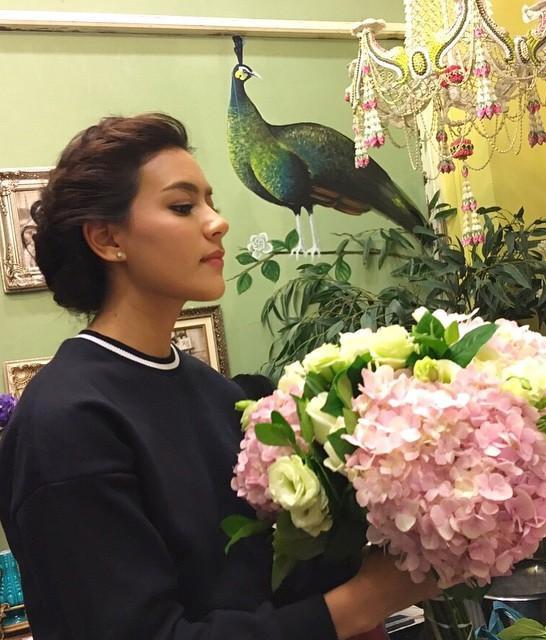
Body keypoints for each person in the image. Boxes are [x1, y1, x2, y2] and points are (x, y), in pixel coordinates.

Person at [0, 114, 439, 640]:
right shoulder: (66, 422)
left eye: (211, 202)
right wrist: (365, 599)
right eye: (182, 206)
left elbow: (257, 581)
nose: (217, 222)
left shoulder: (214, 391)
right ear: (107, 238)